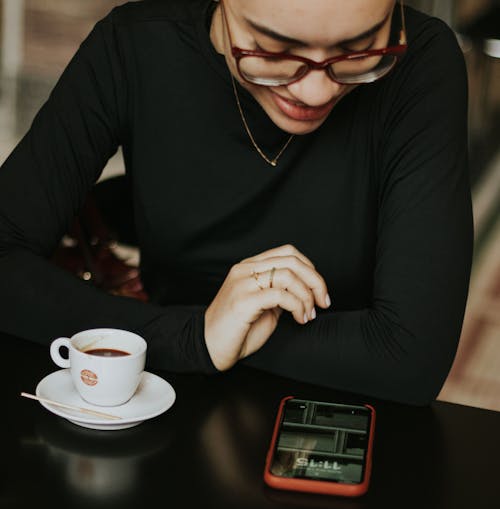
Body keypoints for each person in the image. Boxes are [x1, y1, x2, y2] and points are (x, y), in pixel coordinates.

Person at [0, 0, 472, 405]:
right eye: (273, 50)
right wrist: (196, 337)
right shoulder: (134, 47)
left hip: (346, 422)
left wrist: (220, 338)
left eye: (359, 50)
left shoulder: (421, 63)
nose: (316, 91)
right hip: (166, 405)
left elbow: (411, 360)